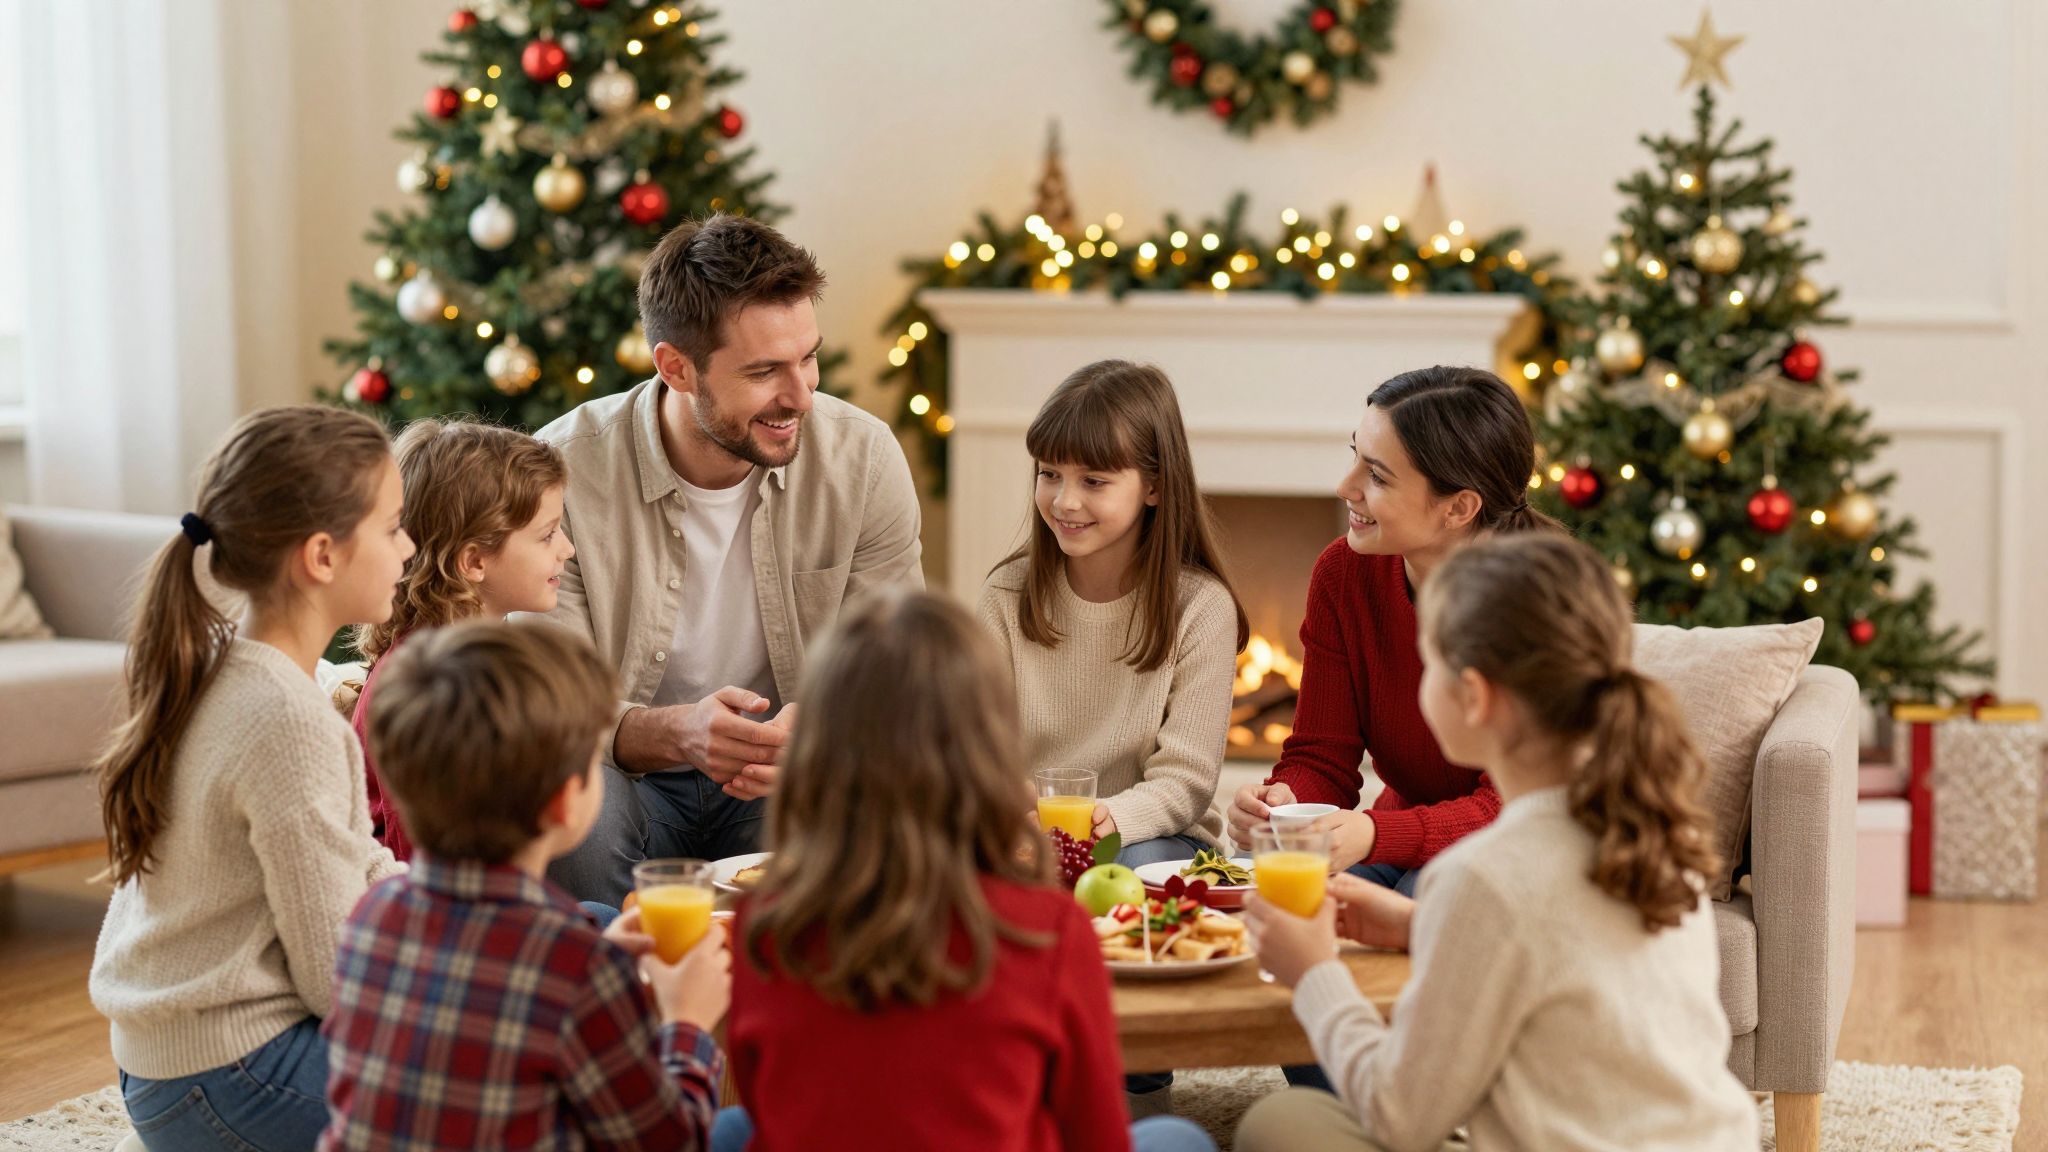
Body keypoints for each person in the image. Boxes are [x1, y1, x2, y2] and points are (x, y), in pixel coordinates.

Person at [1237, 534, 1759, 1152]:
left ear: (1475, 696)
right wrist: (1421, 923)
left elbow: (1399, 1117)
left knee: (1277, 1124)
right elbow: (1563, 948)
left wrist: (1316, 971)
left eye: (1430, 662)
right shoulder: (1653, 825)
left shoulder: (1484, 875)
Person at [719, 589, 1216, 1152]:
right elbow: (1096, 1136)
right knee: (1177, 1138)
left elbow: (770, 1106)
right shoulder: (1048, 930)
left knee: (731, 1126)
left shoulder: (757, 926)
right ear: (989, 750)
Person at [538, 213, 923, 905]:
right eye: (764, 371)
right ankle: (619, 1000)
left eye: (808, 357)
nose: (802, 394)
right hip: (626, 781)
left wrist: (827, 724)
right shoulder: (563, 471)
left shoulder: (861, 458)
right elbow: (542, 701)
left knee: (851, 810)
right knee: (569, 812)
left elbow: (899, 669)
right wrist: (676, 734)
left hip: (784, 780)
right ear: (676, 368)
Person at [89, 406, 411, 1151]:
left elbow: (354, 858)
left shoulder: (220, 665)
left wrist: (450, 915)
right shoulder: (289, 718)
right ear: (322, 556)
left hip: (172, 1063)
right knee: (490, 1079)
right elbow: (336, 981)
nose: (410, 547)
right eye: (393, 527)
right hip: (231, 1073)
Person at [324, 620, 741, 1151]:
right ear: (567, 801)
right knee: (739, 1131)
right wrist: (687, 1022)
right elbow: (669, 1139)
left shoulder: (372, 912)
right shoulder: (575, 964)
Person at [1228, 366, 1562, 897]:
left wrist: (1377, 834)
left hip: (1524, 845)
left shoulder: (1540, 604)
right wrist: (1284, 803)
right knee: (1287, 899)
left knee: (1420, 897)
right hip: (1404, 835)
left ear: (1459, 507)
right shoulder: (1344, 574)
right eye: (1354, 454)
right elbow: (1321, 756)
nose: (1345, 487)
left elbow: (1513, 803)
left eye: (1378, 476)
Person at [976, 360, 1246, 867]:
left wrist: (1100, 822)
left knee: (1120, 866)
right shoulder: (1005, 593)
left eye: (1094, 481)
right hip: (1025, 834)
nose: (1064, 500)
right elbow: (977, 748)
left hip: (1152, 839)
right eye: (1049, 474)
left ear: (1155, 486)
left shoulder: (1202, 608)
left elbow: (1184, 782)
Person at [350, 418, 573, 862]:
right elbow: (420, 859)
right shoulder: (430, 685)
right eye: (547, 535)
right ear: (473, 561)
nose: (566, 548)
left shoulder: (487, 657)